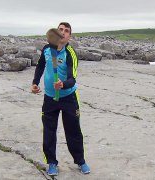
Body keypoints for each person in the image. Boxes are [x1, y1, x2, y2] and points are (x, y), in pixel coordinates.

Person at [31, 22, 90, 176]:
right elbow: (40, 66)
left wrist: (63, 85)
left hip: (68, 97)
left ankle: (80, 161)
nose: (63, 32)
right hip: (50, 98)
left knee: (73, 131)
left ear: (69, 36)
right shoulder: (46, 49)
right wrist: (35, 83)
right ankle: (51, 162)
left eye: (67, 31)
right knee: (49, 131)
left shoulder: (70, 53)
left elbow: (72, 78)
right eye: (60, 29)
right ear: (56, 33)